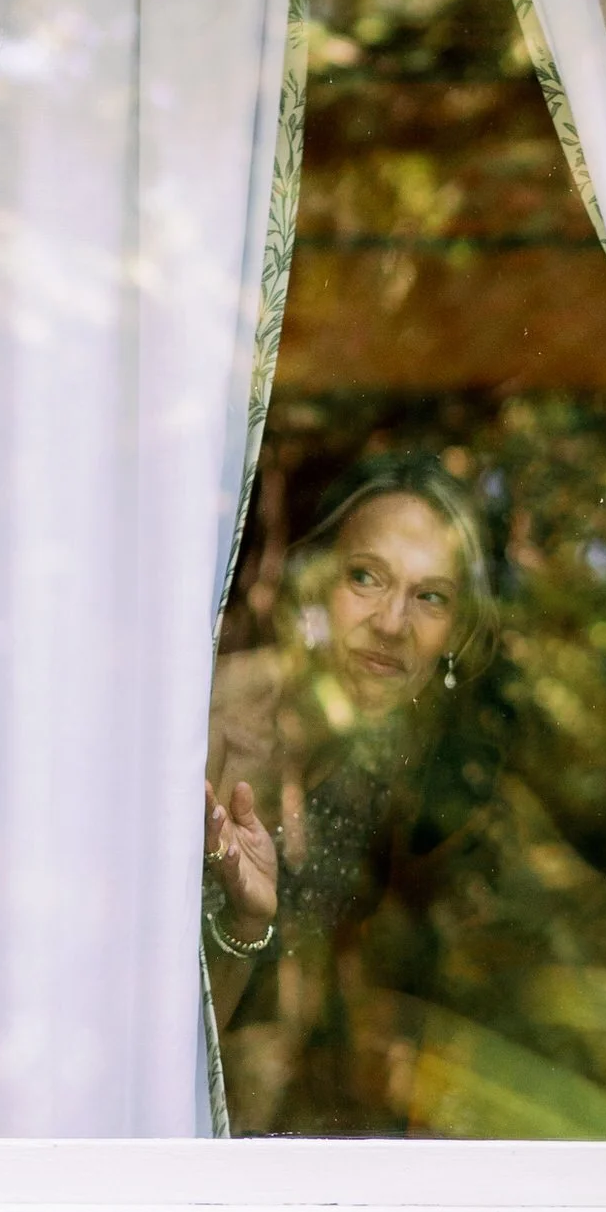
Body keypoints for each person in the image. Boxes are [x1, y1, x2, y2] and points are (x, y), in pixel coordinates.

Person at [200, 451, 499, 1128]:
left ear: (457, 633)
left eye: (429, 597)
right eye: (364, 578)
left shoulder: (397, 766)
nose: (392, 623)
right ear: (312, 587)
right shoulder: (211, 725)